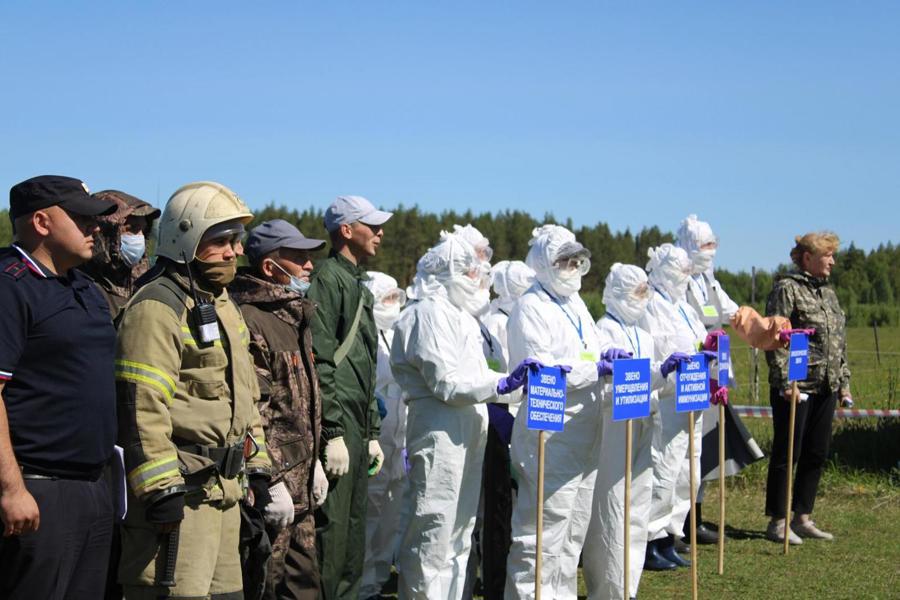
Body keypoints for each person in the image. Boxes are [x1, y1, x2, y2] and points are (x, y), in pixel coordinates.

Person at [115, 181, 273, 600]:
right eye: (220, 241)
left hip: (225, 493)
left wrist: (257, 466)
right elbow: (140, 407)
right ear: (186, 238)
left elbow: (244, 393)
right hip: (180, 499)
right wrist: (160, 489)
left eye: (236, 241)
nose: (234, 251)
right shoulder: (157, 306)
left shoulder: (222, 302)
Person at [390, 231, 539, 600]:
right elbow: (447, 382)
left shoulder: (461, 316)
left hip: (469, 424)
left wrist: (512, 382)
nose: (478, 280)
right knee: (433, 527)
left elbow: (474, 373)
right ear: (449, 272)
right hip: (439, 426)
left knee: (460, 530)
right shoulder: (426, 313)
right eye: (471, 272)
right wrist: (501, 385)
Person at [0, 175, 118, 600]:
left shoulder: (86, 288)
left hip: (93, 487)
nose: (95, 229)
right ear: (42, 222)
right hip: (38, 490)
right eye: (83, 219)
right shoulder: (9, 284)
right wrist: (11, 489)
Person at [504, 224, 627, 600]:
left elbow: (586, 350)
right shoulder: (530, 307)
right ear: (543, 263)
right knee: (540, 533)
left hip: (585, 432)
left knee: (572, 532)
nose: (572, 267)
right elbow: (542, 369)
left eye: (577, 261)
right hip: (550, 433)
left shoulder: (574, 304)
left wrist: (607, 354)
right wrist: (596, 369)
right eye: (563, 261)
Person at [231, 219, 330, 599]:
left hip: (302, 482)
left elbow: (300, 404)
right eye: (299, 257)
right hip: (272, 490)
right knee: (264, 584)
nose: (309, 265)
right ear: (270, 267)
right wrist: (269, 481)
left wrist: (315, 461)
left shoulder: (295, 317)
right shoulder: (253, 319)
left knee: (304, 584)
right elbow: (252, 410)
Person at [306, 195, 392, 600]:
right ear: (346, 230)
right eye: (371, 225)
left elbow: (365, 367)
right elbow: (322, 358)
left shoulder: (356, 283)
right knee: (333, 535)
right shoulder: (328, 280)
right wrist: (334, 432)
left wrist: (371, 430)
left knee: (354, 531)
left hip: (358, 426)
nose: (379, 233)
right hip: (340, 429)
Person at [582, 263, 670, 600]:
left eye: (646, 290)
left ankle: (627, 586)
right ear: (616, 291)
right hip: (615, 427)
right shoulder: (603, 330)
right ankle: (607, 588)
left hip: (644, 422)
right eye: (637, 290)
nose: (643, 297)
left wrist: (666, 372)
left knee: (638, 506)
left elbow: (650, 380)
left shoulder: (643, 332)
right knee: (611, 506)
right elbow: (600, 383)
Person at [675, 214, 762, 546]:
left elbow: (731, 311)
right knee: (684, 452)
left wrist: (765, 327)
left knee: (704, 449)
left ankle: (693, 519)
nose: (710, 251)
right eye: (704, 245)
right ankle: (677, 525)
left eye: (713, 244)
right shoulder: (678, 281)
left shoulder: (708, 280)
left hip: (713, 372)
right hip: (690, 373)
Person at [764, 231, 850, 544]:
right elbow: (776, 337)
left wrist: (843, 382)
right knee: (789, 452)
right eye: (827, 256)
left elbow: (837, 340)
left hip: (825, 384)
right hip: (796, 386)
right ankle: (777, 520)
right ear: (807, 257)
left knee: (817, 451)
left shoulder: (828, 293)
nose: (832, 261)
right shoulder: (787, 288)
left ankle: (803, 517)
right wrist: (786, 381)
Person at [637, 244, 708, 571]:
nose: (686, 276)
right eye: (680, 270)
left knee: (687, 473)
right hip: (667, 400)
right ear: (663, 269)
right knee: (663, 470)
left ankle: (670, 535)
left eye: (688, 270)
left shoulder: (684, 306)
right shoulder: (651, 304)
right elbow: (656, 350)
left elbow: (698, 341)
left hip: (692, 397)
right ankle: (650, 540)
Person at [478, 259, 535, 600]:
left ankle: (502, 576)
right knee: (496, 507)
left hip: (516, 412)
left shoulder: (513, 318)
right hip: (500, 415)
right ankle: (494, 581)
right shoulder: (496, 322)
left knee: (511, 506)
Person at [359, 271, 409, 600]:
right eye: (386, 298)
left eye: (396, 298)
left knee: (393, 510)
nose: (392, 304)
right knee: (370, 510)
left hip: (399, 435)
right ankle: (362, 584)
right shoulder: (363, 334)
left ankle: (378, 578)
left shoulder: (394, 334)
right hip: (376, 433)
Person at [80, 189, 161, 320]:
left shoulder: (147, 287)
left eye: (143, 230)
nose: (139, 237)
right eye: (131, 229)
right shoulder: (82, 291)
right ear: (106, 233)